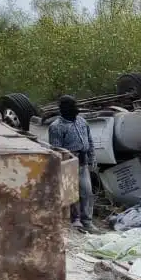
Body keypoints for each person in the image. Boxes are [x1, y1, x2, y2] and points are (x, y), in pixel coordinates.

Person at [47, 95, 95, 231]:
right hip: (69, 161)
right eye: (73, 106)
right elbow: (56, 148)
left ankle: (88, 220)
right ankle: (76, 220)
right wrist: (65, 163)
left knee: (87, 192)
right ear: (64, 109)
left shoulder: (82, 121)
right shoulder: (56, 127)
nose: (77, 109)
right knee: (72, 192)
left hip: (83, 160)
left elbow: (90, 141)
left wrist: (92, 158)